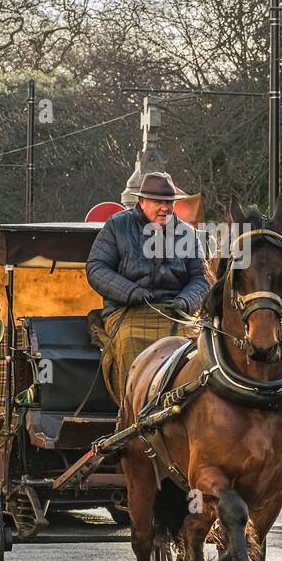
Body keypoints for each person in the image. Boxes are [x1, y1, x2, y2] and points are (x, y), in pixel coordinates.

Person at [86, 171, 211, 405]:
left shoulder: (187, 233)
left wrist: (186, 301)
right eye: (158, 202)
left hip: (178, 314)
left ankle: (189, 415)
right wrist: (130, 292)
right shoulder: (117, 226)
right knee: (128, 344)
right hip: (128, 313)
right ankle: (132, 414)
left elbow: (202, 279)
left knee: (198, 351)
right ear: (141, 201)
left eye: (168, 203)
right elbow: (96, 268)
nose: (164, 208)